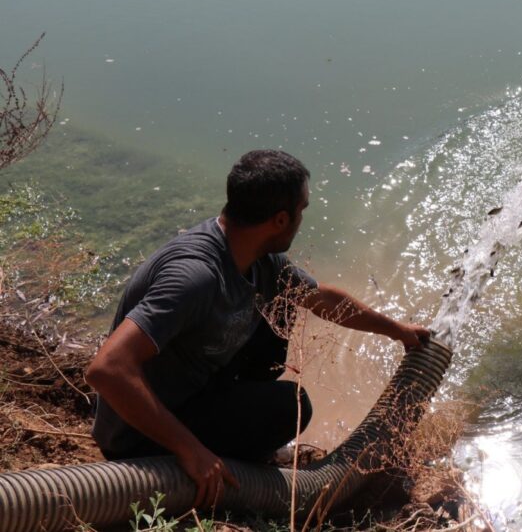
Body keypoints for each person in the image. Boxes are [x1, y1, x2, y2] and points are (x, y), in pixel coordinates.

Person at [86, 149, 430, 508]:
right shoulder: (196, 277)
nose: (302, 219)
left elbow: (322, 299)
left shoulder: (256, 259)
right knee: (290, 407)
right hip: (138, 438)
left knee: (278, 313)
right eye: (302, 210)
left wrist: (398, 331)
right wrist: (190, 451)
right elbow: (107, 370)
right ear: (281, 220)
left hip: (190, 395)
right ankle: (231, 463)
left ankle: (231, 446)